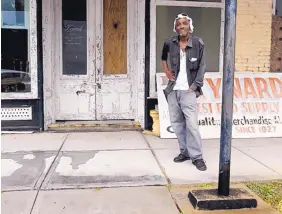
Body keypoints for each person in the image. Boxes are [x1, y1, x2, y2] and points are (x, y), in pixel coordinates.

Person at [161, 13, 207, 171]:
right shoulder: (170, 42)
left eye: (184, 23)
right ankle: (185, 152)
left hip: (188, 90)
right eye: (179, 24)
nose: (181, 26)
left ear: (190, 26)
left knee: (192, 125)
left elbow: (202, 66)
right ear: (175, 27)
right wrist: (166, 70)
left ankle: (197, 157)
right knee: (177, 124)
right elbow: (162, 56)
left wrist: (194, 86)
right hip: (173, 89)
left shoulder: (198, 43)